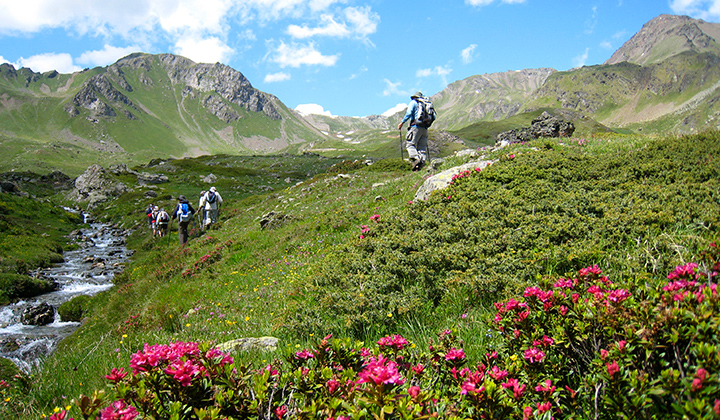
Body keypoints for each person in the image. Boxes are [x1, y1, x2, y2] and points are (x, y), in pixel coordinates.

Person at [397, 91, 431, 171]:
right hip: (425, 128)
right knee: (422, 147)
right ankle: (421, 165)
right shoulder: (426, 104)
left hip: (415, 126)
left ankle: (416, 159)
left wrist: (402, 123)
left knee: (410, 144)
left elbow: (409, 113)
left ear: (414, 97)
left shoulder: (413, 102)